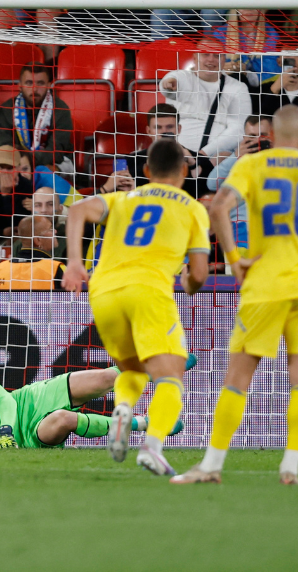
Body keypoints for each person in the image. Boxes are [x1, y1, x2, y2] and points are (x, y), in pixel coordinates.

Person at [171, 106, 298, 485]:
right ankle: (290, 468)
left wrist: (234, 258)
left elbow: (219, 207)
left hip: (265, 284)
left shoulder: (254, 166)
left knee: (237, 378)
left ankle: (212, 465)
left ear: (270, 134)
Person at [63, 137, 208, 474]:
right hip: (148, 292)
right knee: (171, 376)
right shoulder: (192, 208)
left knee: (132, 371)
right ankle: (153, 448)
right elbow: (198, 274)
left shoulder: (123, 199)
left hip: (104, 293)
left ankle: (123, 409)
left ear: (145, 171)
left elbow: (77, 209)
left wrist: (74, 263)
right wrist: (189, 283)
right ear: (185, 170)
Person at [0, 349, 167, 448]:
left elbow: (5, 399)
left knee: (102, 379)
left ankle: (158, 369)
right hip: (19, 440)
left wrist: (6, 429)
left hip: (25, 402)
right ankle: (145, 424)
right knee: (64, 420)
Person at [159, 41, 253, 161]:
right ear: (195, 58)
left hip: (215, 159)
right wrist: (167, 84)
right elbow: (169, 85)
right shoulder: (181, 77)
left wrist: (203, 154)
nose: (211, 59)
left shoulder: (238, 88)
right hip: (175, 157)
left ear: (224, 59)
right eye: (205, 54)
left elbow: (238, 130)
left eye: (217, 55)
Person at [205, 115, 272, 250]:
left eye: (263, 135)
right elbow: (212, 183)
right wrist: (237, 157)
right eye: (252, 136)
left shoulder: (288, 157)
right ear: (244, 138)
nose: (257, 140)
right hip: (240, 229)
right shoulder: (236, 158)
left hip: (275, 228)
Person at [0, 63, 73, 170]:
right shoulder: (7, 109)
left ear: (49, 85)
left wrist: (27, 159)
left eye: (40, 83)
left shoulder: (61, 110)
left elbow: (55, 153)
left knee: (45, 170)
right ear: (20, 86)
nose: (34, 89)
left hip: (55, 163)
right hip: (15, 163)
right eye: (29, 83)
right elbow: (6, 148)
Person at [0, 215, 64, 289]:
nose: (55, 231)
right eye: (50, 229)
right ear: (38, 240)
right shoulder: (56, 268)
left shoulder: (0, 269)